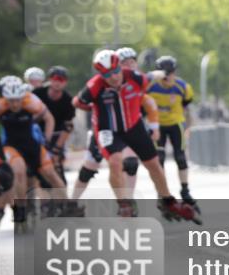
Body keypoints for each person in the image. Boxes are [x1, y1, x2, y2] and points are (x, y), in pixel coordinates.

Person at [73, 50, 197, 222]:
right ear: (101, 74)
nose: (114, 77)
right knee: (114, 162)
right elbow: (77, 102)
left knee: (153, 164)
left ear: (120, 68)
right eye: (107, 75)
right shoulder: (95, 85)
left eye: (116, 71)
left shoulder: (135, 78)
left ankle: (167, 200)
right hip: (108, 130)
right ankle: (124, 203)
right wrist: (94, 108)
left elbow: (153, 78)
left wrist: (164, 73)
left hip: (133, 126)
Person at [0, 77, 76, 229]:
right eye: (10, 100)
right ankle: (21, 210)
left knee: (50, 174)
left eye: (17, 100)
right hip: (11, 146)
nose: (14, 104)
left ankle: (69, 207)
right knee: (18, 171)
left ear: (22, 97)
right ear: (5, 98)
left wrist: (47, 140)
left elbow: (49, 118)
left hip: (33, 145)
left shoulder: (30, 100)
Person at [146, 55, 199, 211]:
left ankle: (185, 190)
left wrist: (188, 126)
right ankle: (161, 193)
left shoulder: (183, 87)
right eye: (164, 73)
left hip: (176, 124)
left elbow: (186, 106)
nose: (168, 77)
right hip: (158, 126)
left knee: (180, 157)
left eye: (171, 73)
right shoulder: (150, 87)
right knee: (159, 160)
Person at [32, 66, 76, 185]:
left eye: (61, 80)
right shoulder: (37, 93)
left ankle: (62, 197)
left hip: (57, 135)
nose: (57, 82)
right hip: (37, 132)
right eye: (55, 79)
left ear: (65, 83)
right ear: (50, 80)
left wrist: (56, 149)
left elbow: (68, 126)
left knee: (56, 161)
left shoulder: (68, 100)